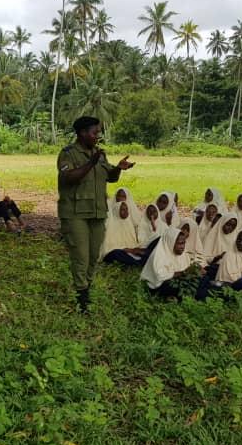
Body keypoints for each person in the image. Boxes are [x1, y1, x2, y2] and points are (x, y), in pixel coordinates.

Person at [56, 116, 134, 313]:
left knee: (93, 256)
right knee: (80, 256)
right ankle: (81, 298)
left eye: (98, 132)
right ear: (82, 133)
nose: (97, 136)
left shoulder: (100, 154)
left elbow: (110, 177)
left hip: (97, 213)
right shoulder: (68, 154)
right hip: (75, 214)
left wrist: (118, 168)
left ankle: (86, 289)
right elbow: (68, 178)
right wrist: (90, 163)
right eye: (94, 132)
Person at [140, 228, 194, 299]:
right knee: (172, 286)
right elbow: (160, 276)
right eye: (180, 243)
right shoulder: (159, 255)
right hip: (159, 286)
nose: (183, 247)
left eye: (184, 243)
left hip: (178, 281)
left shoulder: (183, 254)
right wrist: (183, 273)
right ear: (170, 242)